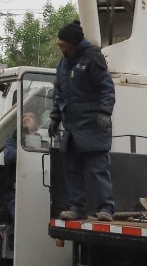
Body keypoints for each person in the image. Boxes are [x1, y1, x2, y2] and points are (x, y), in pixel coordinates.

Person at [49, 19, 116, 221]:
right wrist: (55, 118)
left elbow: (107, 88)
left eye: (62, 39)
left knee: (97, 169)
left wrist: (105, 112)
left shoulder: (92, 59)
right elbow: (59, 93)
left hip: (93, 126)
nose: (58, 42)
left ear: (72, 41)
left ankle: (106, 208)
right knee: (72, 169)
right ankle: (76, 208)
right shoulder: (63, 64)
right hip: (72, 129)